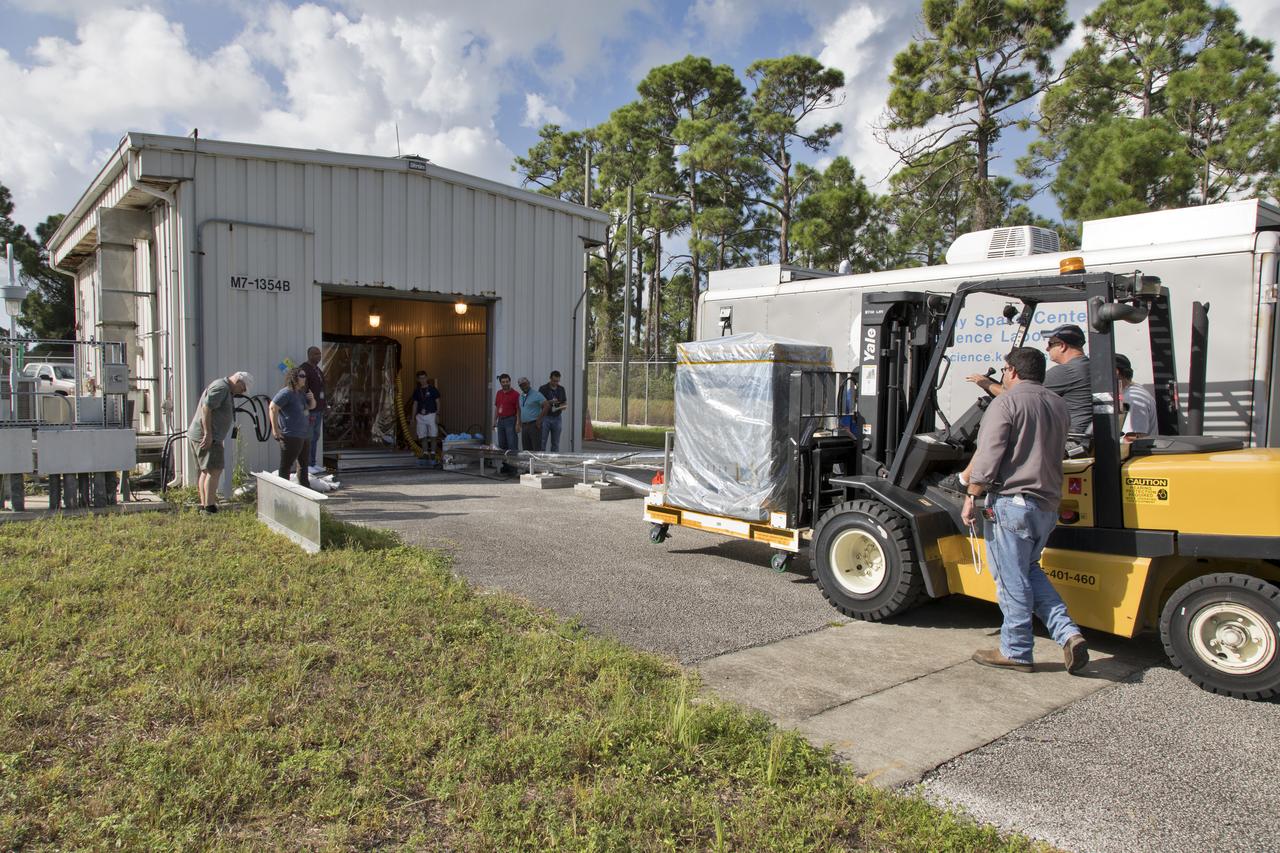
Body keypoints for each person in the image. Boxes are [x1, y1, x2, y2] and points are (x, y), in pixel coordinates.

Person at [961, 347, 1089, 675]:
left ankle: (1016, 650)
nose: (1003, 375)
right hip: (1046, 505)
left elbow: (989, 453)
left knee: (1011, 578)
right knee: (1030, 569)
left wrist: (971, 494)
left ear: (1013, 372)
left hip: (1011, 503)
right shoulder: (1057, 404)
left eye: (1004, 370)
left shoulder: (1006, 402)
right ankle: (1068, 634)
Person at [967, 323, 1092, 435]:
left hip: (1069, 440)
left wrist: (986, 383)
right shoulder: (1086, 366)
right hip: (1078, 436)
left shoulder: (1066, 372)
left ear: (1062, 346)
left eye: (1050, 344)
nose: (1047, 349)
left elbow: (1017, 397)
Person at [186, 370, 253, 514]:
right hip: (207, 436)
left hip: (209, 436)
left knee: (206, 471)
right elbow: (206, 408)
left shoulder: (224, 388)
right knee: (214, 471)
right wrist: (209, 434)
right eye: (242, 389)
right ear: (238, 382)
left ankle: (205, 506)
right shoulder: (222, 388)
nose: (240, 393)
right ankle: (210, 507)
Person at [270, 367, 316, 489]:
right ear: (294, 377)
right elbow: (273, 408)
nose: (304, 378)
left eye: (305, 376)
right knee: (286, 465)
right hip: (291, 434)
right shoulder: (286, 393)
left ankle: (305, 489)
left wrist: (312, 398)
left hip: (304, 434)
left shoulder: (301, 393)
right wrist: (275, 429)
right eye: (301, 376)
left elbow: (311, 407)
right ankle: (283, 492)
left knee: (303, 464)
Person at [1116, 354, 1157, 441]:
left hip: (1138, 453)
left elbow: (1132, 439)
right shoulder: (1130, 392)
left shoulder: (1131, 399)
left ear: (1116, 372)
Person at [299, 346, 326, 474]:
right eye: (316, 354)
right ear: (309, 355)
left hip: (319, 408)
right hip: (310, 409)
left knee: (315, 436)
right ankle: (307, 464)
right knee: (309, 436)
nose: (319, 356)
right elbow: (302, 389)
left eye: (320, 354)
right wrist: (307, 406)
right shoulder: (304, 369)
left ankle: (313, 463)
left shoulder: (317, 370)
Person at [410, 371, 442, 461]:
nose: (423, 380)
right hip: (420, 416)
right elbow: (415, 404)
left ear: (427, 378)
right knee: (422, 435)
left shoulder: (432, 389)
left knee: (433, 435)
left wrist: (437, 414)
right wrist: (412, 418)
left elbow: (438, 402)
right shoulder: (417, 391)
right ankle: (424, 453)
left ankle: (432, 453)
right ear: (418, 379)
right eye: (420, 378)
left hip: (431, 414)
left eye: (424, 378)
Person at [493, 373, 519, 473]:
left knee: (512, 444)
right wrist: (494, 421)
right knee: (502, 444)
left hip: (511, 420)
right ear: (500, 383)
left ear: (510, 381)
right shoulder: (499, 393)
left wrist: (518, 423)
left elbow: (518, 410)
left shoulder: (515, 394)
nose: (505, 383)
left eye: (507, 381)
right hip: (501, 421)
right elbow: (497, 408)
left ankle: (513, 468)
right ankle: (506, 466)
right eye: (503, 382)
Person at [538, 369, 568, 452]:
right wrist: (549, 402)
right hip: (545, 417)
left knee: (555, 443)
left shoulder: (561, 389)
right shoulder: (543, 388)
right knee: (542, 441)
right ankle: (541, 461)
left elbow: (565, 404)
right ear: (550, 378)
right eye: (554, 381)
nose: (555, 383)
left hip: (557, 418)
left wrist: (556, 406)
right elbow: (539, 404)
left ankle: (553, 461)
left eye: (557, 381)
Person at [517, 377, 545, 452]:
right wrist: (518, 422)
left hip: (534, 425)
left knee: (536, 448)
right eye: (521, 385)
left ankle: (536, 464)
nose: (524, 387)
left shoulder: (537, 394)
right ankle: (528, 464)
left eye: (525, 384)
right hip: (524, 425)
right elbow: (519, 409)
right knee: (526, 449)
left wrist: (539, 420)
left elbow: (547, 405)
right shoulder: (521, 396)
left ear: (529, 383)